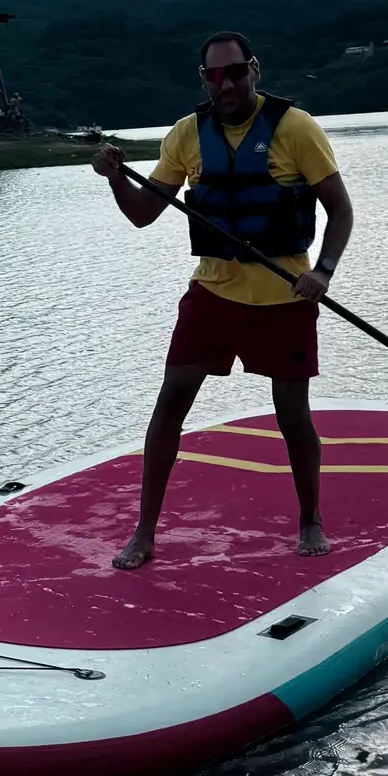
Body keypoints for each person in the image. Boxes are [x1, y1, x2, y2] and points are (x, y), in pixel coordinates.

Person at [92, 29, 353, 568]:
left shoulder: (295, 128)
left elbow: (340, 210)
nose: (225, 83)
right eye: (213, 74)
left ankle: (310, 519)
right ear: (204, 80)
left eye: (234, 71)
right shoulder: (186, 135)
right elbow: (143, 214)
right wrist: (116, 178)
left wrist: (323, 272)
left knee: (292, 414)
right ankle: (144, 533)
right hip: (212, 295)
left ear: (254, 70)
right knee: (170, 403)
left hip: (284, 298)